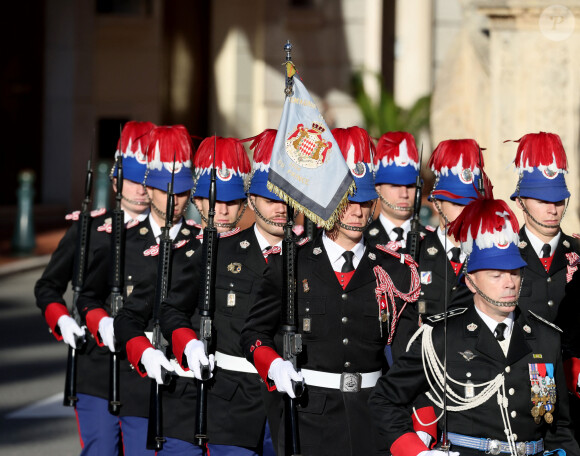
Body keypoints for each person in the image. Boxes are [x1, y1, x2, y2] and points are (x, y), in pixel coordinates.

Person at [240, 126, 420, 456]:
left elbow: (410, 356)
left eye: (365, 202)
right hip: (310, 416)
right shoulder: (293, 264)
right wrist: (274, 365)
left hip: (373, 415)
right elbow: (253, 333)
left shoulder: (394, 270)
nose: (357, 212)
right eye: (347, 201)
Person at [369, 195, 580, 456]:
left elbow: (559, 428)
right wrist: (417, 452)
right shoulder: (443, 337)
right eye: (496, 275)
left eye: (515, 273)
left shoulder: (546, 337)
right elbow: (384, 400)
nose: (509, 283)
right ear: (471, 282)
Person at [34, 120, 155, 455]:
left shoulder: (162, 238)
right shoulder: (89, 229)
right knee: (100, 447)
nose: (141, 189)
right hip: (95, 363)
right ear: (115, 181)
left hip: (141, 364)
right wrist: (63, 321)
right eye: (132, 180)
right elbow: (48, 286)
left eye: (147, 181)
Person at [78, 125, 199, 456]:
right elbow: (87, 296)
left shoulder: (201, 243)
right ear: (150, 188)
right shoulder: (121, 239)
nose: (173, 200)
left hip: (188, 383)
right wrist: (104, 323)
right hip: (134, 377)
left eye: (182, 192)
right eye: (163, 190)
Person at [160, 130, 281, 455]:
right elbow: (170, 310)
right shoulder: (200, 251)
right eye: (214, 202)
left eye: (231, 202)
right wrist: (187, 344)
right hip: (220, 393)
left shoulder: (298, 253)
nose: (222, 211)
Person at [509, 132, 580, 321]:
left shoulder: (577, 251)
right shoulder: (506, 254)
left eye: (559, 201)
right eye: (542, 201)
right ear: (519, 201)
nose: (553, 210)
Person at [415, 139, 485, 323]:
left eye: (471, 204)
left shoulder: (488, 253)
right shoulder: (415, 252)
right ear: (436, 204)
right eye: (456, 204)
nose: (465, 212)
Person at [365, 131, 428, 250]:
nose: (404, 194)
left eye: (410, 186)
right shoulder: (362, 241)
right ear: (377, 188)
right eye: (395, 185)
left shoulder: (432, 240)